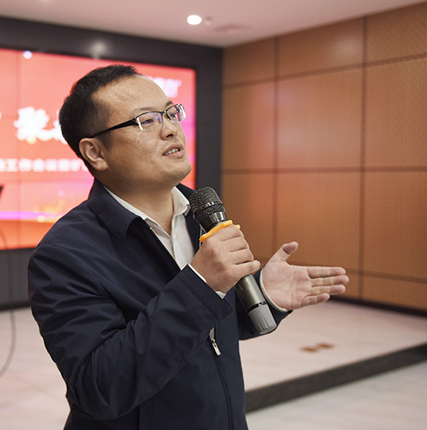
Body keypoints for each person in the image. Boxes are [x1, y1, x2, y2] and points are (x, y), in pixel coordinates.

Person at [27, 64, 348, 430]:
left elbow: (203, 332)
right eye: (146, 121)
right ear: (95, 152)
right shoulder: (64, 254)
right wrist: (201, 284)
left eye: (170, 112)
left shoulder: (201, 213)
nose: (170, 128)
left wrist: (262, 297)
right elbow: (100, 387)